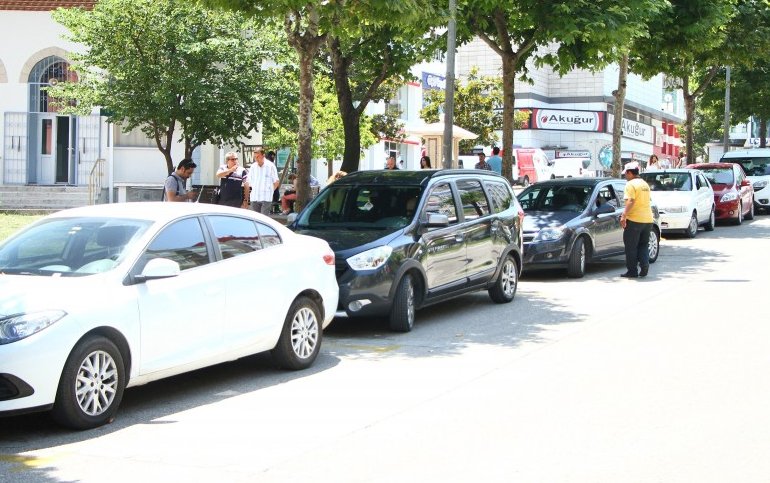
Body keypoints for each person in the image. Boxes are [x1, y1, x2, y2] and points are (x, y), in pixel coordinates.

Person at [620, 161, 654, 278]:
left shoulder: (630, 184)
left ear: (630, 173)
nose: (625, 176)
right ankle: (645, 265)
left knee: (631, 247)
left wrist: (624, 215)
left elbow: (631, 200)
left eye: (625, 173)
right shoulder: (644, 184)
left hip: (634, 220)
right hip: (648, 220)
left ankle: (632, 271)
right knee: (643, 244)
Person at [243, 147, 280, 215]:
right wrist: (246, 198)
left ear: (263, 155)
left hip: (266, 197)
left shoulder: (270, 166)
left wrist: (270, 191)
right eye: (255, 157)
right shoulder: (253, 166)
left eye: (258, 157)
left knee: (263, 218)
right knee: (255, 218)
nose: (256, 159)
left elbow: (276, 182)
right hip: (254, 197)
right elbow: (248, 181)